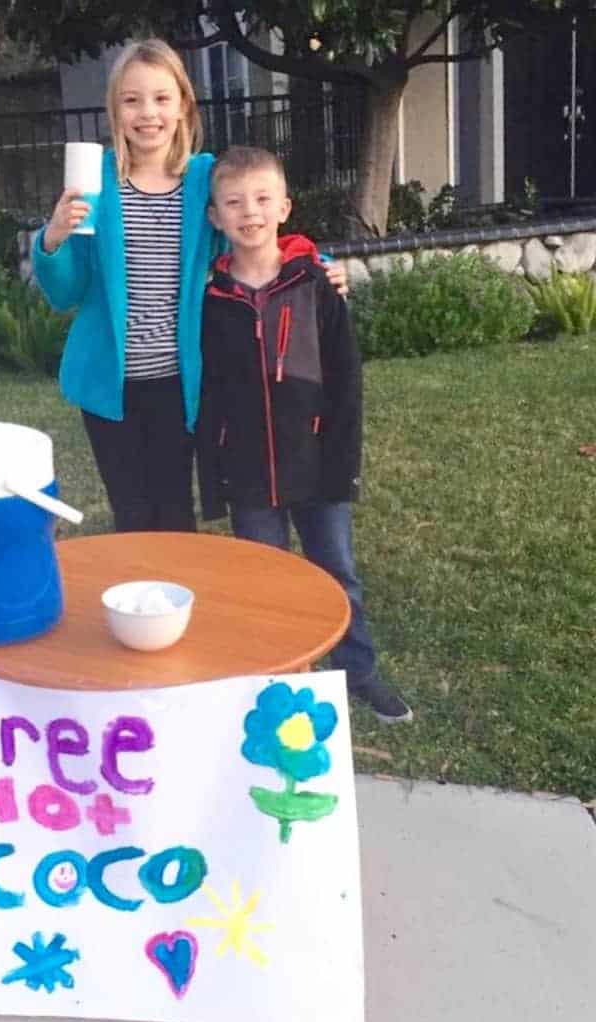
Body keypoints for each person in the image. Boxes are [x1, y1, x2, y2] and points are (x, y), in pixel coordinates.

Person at [32, 38, 347, 533]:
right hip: (107, 382)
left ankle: (174, 608)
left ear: (183, 105)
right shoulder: (97, 181)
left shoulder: (203, 177)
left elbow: (254, 231)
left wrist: (314, 267)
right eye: (132, 100)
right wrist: (53, 239)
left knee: (176, 510)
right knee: (132, 513)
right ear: (116, 107)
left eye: (161, 98)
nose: (147, 113)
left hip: (181, 379)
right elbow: (67, 292)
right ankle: (139, 608)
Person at [197, 146, 412, 724]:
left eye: (263, 199)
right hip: (248, 471)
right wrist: (213, 477)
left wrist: (345, 462)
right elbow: (211, 395)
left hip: (317, 462)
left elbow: (346, 383)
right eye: (235, 202)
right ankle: (273, 675)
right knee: (260, 577)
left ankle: (357, 669)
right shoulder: (211, 298)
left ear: (285, 207)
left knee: (336, 571)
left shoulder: (317, 284)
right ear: (215, 217)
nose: (251, 211)